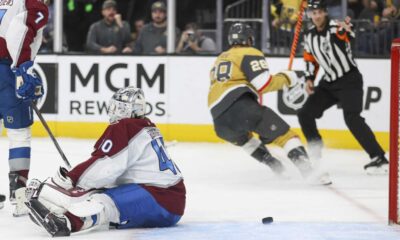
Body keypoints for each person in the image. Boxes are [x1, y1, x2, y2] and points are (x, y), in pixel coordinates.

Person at [25, 87, 186, 237]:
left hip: (158, 196)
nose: (114, 111)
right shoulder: (147, 126)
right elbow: (116, 172)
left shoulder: (124, 126)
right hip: (170, 199)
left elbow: (106, 165)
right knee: (103, 194)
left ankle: (66, 222)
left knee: (104, 201)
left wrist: (70, 179)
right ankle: (61, 209)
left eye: (118, 107)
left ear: (126, 109)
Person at [208, 22, 331, 185]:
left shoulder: (220, 58)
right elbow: (264, 84)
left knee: (247, 141)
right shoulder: (249, 52)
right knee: (285, 136)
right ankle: (309, 172)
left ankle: (276, 167)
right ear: (249, 38)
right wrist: (290, 77)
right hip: (240, 106)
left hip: (219, 120)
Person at [297, 0, 389, 174]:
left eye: (319, 12)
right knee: (304, 113)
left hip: (349, 80)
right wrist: (310, 78)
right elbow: (310, 59)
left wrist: (348, 31)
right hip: (328, 83)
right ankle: (315, 151)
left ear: (325, 12)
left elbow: (347, 35)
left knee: (352, 118)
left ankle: (378, 158)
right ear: (309, 15)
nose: (316, 16)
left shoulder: (336, 27)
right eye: (313, 13)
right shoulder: (309, 35)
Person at [0, 0, 49, 215]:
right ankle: (18, 193)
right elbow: (19, 33)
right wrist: (22, 69)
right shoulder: (33, 4)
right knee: (19, 132)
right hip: (6, 71)